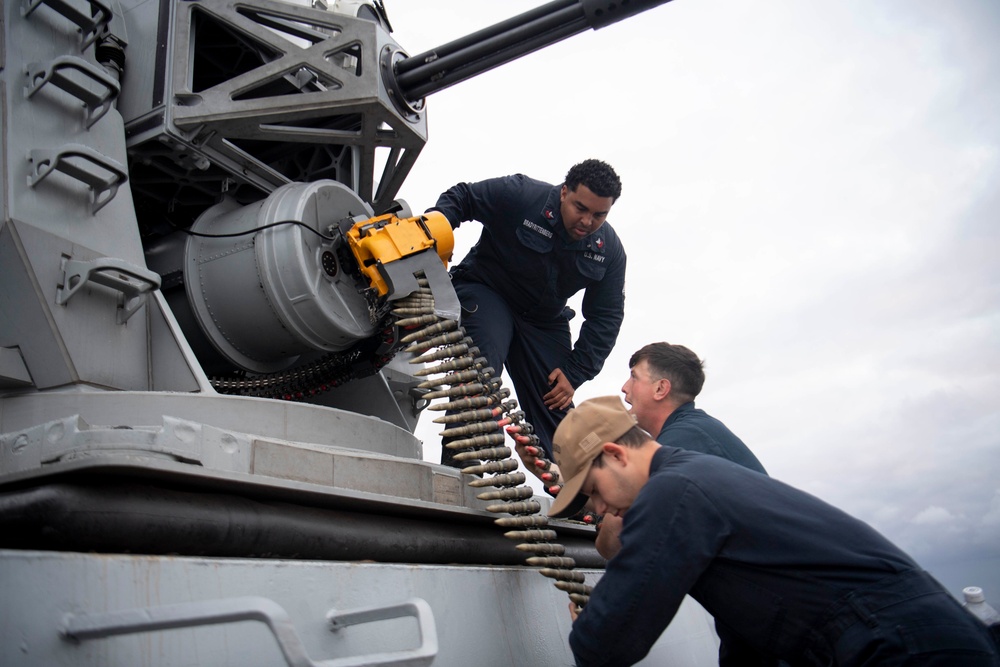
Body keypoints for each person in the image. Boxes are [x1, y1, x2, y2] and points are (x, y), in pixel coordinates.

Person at [549, 396, 1000, 667]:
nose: (601, 508)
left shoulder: (673, 492)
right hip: (918, 635)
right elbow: (750, 626)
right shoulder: (697, 477)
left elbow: (607, 644)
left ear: (616, 453)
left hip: (901, 647)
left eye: (594, 490)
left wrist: (590, 627)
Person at [430, 160, 626, 467]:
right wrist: (433, 237)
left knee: (557, 397)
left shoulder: (609, 251)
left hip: (543, 320)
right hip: (488, 291)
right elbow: (463, 197)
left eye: (599, 214)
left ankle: (580, 499)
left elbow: (606, 317)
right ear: (564, 193)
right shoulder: (520, 194)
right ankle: (460, 476)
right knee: (481, 369)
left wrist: (576, 372)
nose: (587, 221)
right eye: (580, 208)